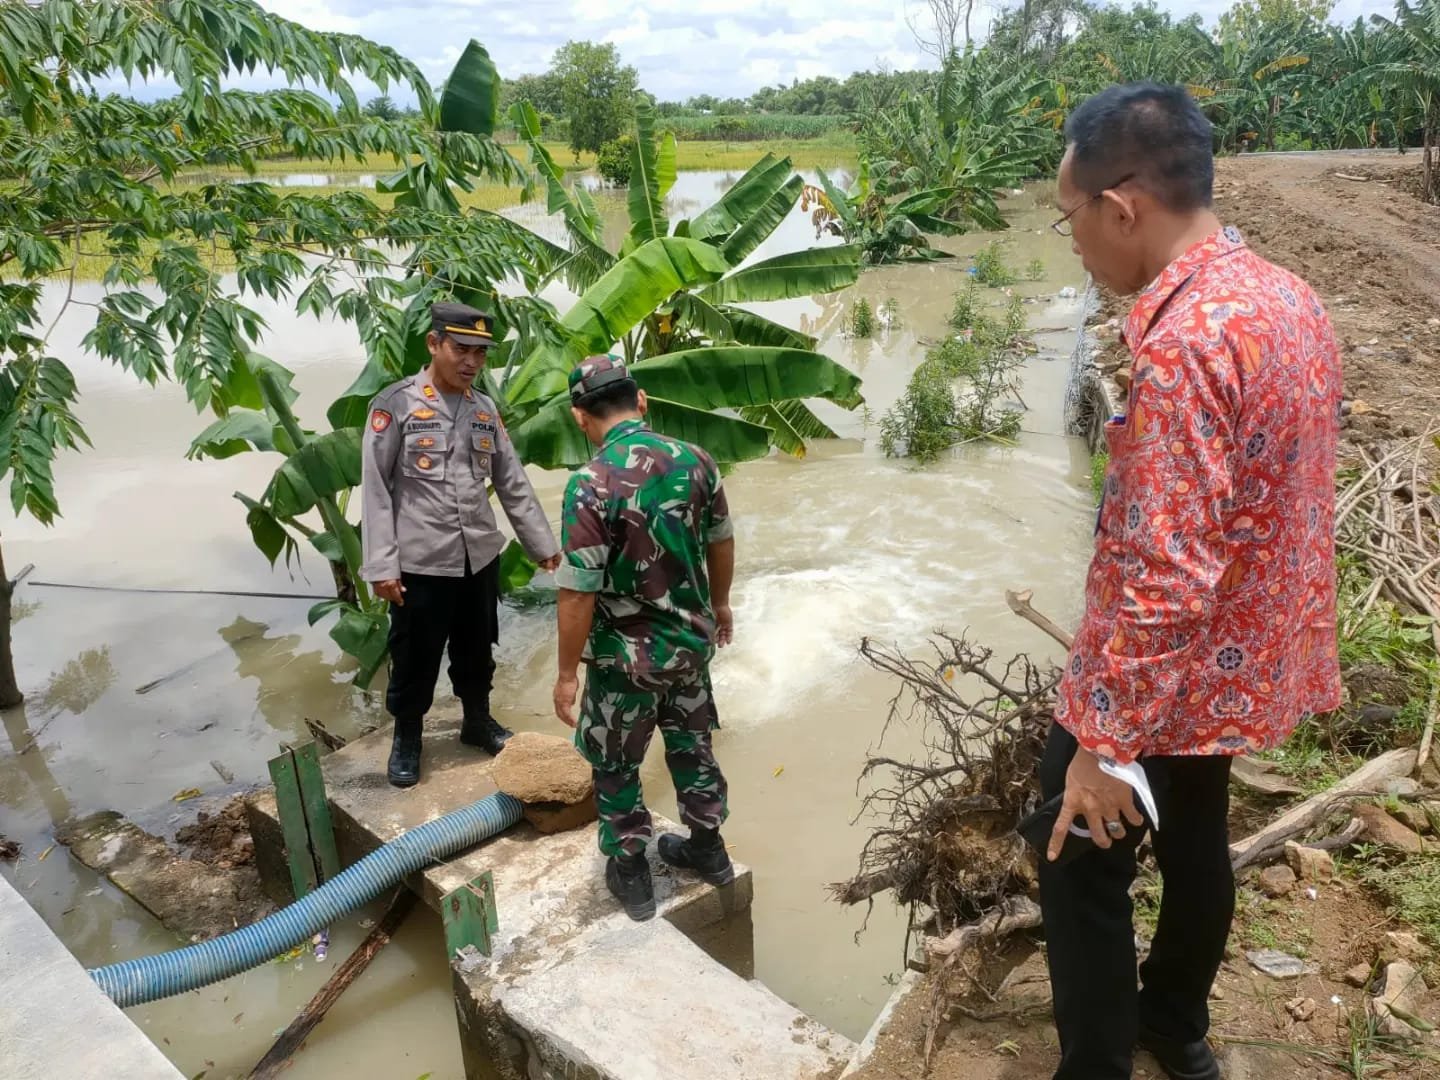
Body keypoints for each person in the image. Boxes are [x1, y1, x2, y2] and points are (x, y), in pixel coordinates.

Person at [1042, 83, 1342, 1080]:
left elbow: (1165, 575)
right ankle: (1175, 1028)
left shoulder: (1184, 344)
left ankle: (1097, 1066)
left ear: (1120, 207)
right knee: (1198, 840)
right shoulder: (1288, 300)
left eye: (1070, 219)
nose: (1073, 244)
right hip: (1240, 660)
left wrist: (1103, 742)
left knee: (1077, 857)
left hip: (1159, 669)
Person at [550, 355, 736, 922]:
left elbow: (578, 591)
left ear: (580, 416)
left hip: (623, 663)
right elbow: (721, 541)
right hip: (688, 650)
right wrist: (722, 604)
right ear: (643, 400)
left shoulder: (590, 484)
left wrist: (565, 673)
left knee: (615, 763)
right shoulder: (697, 460)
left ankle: (631, 874)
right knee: (692, 748)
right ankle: (709, 850)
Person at [361, 302, 561, 788]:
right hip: (421, 561)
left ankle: (477, 720)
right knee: (415, 654)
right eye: (461, 349)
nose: (471, 362)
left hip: (478, 556)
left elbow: (511, 481)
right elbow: (376, 488)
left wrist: (542, 545)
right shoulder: (396, 405)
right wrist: (382, 566)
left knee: (476, 648)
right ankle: (408, 735)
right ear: (434, 345)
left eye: (481, 353)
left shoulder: (483, 409)